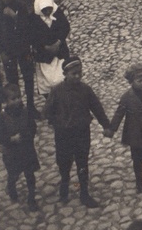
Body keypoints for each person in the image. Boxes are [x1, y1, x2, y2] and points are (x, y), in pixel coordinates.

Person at [43, 55, 113, 208]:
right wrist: (56, 122)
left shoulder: (85, 90)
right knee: (64, 161)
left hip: (82, 132)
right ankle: (65, 183)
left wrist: (106, 125)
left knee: (82, 162)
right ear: (65, 74)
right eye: (74, 73)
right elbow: (47, 111)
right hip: (63, 134)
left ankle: (84, 193)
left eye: (79, 73)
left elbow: (97, 108)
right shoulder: (57, 91)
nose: (77, 76)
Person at [109, 62, 142, 195]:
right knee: (136, 157)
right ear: (131, 82)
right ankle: (140, 181)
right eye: (139, 81)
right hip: (135, 132)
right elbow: (119, 113)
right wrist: (111, 129)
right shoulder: (127, 97)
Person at [0, 83, 39, 210]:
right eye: (13, 99)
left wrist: (29, 135)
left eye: (19, 97)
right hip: (12, 153)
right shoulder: (2, 117)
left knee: (30, 174)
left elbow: (33, 126)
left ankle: (31, 198)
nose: (17, 100)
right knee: (13, 174)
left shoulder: (26, 111)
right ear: (5, 101)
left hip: (27, 149)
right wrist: (11, 139)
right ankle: (11, 187)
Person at [29, 0, 70, 100]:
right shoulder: (33, 19)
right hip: (44, 55)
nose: (47, 11)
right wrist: (44, 47)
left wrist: (58, 42)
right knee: (48, 82)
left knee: (62, 78)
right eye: (44, 9)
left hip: (59, 52)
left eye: (49, 8)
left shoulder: (57, 13)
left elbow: (65, 27)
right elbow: (31, 36)